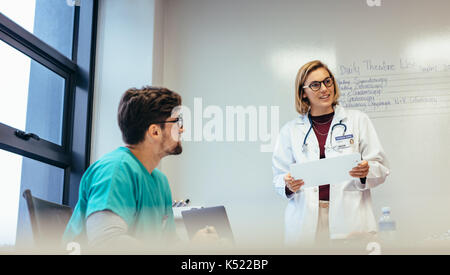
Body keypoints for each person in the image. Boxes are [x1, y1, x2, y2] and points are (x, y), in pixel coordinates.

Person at [63, 86, 217, 252]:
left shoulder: (160, 182)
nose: (182, 129)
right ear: (155, 131)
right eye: (177, 122)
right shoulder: (115, 170)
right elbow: (106, 242)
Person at [272, 60, 390, 246]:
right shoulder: (290, 130)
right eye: (315, 85)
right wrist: (288, 184)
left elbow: (381, 168)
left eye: (328, 81)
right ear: (303, 92)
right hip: (306, 222)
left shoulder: (358, 120)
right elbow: (279, 178)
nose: (324, 89)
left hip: (349, 218)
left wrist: (366, 171)